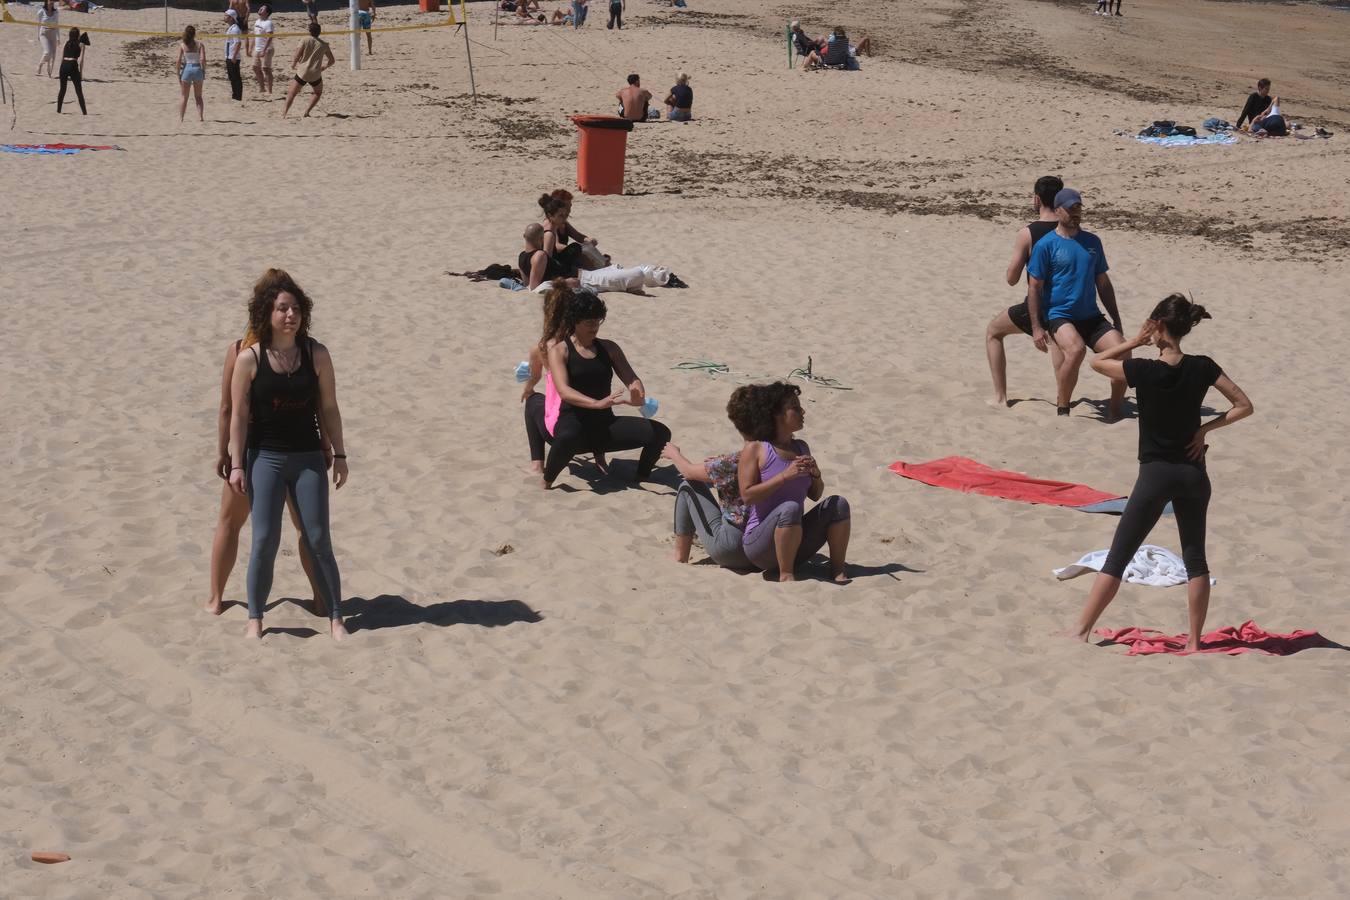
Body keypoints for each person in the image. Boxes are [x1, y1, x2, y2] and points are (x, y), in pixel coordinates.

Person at [1065, 294, 1253, 650]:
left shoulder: (1145, 370)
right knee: (1195, 557)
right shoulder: (1203, 366)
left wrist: (1133, 342)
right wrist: (1204, 431)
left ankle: (1080, 630)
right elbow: (1244, 406)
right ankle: (1194, 643)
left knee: (1119, 554)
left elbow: (1096, 362)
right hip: (1194, 474)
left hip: (1155, 475)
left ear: (1160, 326)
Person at [228, 269, 349, 641]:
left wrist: (340, 454)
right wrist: (236, 465)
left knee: (317, 538)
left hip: (308, 458)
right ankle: (255, 618)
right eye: (282, 308)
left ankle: (336, 617)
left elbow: (329, 407)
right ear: (268, 313)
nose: (290, 315)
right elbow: (238, 415)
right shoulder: (249, 359)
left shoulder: (317, 353)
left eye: (296, 308)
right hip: (265, 459)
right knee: (264, 539)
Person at [208, 329, 330, 618]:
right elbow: (319, 406)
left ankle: (215, 600)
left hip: (254, 450)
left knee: (229, 522)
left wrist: (224, 451)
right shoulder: (304, 351)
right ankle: (321, 600)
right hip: (300, 449)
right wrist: (326, 444)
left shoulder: (240, 350)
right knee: (307, 530)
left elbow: (227, 408)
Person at [538, 286, 671, 489]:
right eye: (589, 322)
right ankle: (547, 482)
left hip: (605, 423)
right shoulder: (561, 350)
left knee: (660, 432)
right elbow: (564, 391)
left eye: (597, 321)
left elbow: (631, 377)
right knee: (566, 438)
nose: (594, 327)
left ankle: (642, 477)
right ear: (575, 321)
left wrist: (637, 391)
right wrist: (596, 403)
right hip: (574, 420)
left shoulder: (609, 348)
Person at [1026, 188, 1129, 420]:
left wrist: (1117, 320)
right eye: (1071, 209)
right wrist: (1036, 327)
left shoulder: (1092, 242)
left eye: (1078, 208)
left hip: (1091, 316)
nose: (1076, 214)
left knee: (1123, 352)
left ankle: (1115, 409)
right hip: (1060, 315)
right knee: (1076, 349)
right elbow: (1034, 288)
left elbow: (1103, 283)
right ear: (1057, 210)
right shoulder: (1046, 245)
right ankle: (1063, 407)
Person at [736, 382, 851, 582]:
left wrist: (815, 474)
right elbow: (746, 496)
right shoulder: (756, 449)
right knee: (789, 507)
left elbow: (815, 495)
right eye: (795, 408)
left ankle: (837, 570)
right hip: (759, 546)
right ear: (777, 414)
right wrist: (784, 477)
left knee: (838, 504)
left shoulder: (801, 447)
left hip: (793, 539)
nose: (802, 411)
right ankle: (786, 574)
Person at [984, 175, 1066, 407]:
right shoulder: (1069, 229)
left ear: (1036, 200)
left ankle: (1000, 397)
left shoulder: (1028, 233)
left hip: (1039, 306)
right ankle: (1064, 400)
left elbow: (1012, 278)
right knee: (1058, 342)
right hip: (1066, 302)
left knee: (993, 332)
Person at [282, 22, 335, 118]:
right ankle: (307, 112)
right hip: (315, 73)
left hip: (303, 71)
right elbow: (332, 60)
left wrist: (293, 64)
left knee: (291, 93)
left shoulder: (305, 40)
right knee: (317, 93)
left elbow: (297, 54)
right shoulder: (324, 44)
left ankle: (284, 113)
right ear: (319, 32)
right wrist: (324, 67)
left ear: (309, 31)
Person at [176, 25, 206, 124]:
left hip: (187, 69)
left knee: (184, 96)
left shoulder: (182, 45)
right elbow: (202, 59)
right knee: (198, 96)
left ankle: (181, 118)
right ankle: (201, 116)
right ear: (194, 34)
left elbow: (178, 61)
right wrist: (203, 70)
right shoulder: (200, 44)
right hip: (197, 69)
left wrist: (178, 74)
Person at [56, 27, 87, 115]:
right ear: (78, 35)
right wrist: (81, 73)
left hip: (64, 65)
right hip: (73, 64)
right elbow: (81, 60)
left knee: (62, 89)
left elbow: (61, 58)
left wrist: (61, 68)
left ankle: (58, 110)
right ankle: (84, 112)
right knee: (78, 91)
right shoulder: (81, 44)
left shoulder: (66, 43)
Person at [251, 5, 275, 95]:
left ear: (267, 12)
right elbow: (255, 35)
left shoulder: (268, 23)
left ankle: (270, 91)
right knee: (255, 67)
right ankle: (262, 88)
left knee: (266, 69)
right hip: (257, 48)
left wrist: (264, 50)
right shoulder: (257, 21)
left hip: (267, 49)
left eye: (262, 8)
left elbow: (270, 37)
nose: (260, 9)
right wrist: (251, 47)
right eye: (260, 7)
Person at [224, 9, 244, 102]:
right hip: (229, 56)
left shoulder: (235, 29)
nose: (224, 17)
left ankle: (237, 97)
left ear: (231, 18)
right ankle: (235, 95)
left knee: (236, 77)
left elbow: (238, 43)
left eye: (226, 15)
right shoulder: (231, 27)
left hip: (233, 57)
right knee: (232, 77)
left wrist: (234, 56)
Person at [36, 0, 58, 78]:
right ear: (46, 1)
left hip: (53, 33)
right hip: (44, 32)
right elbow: (38, 24)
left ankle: (49, 71)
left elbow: (57, 24)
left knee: (53, 55)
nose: (52, 2)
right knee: (47, 52)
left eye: (53, 1)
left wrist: (58, 37)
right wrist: (38, 35)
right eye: (50, 1)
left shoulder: (56, 12)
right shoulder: (41, 11)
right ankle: (40, 65)